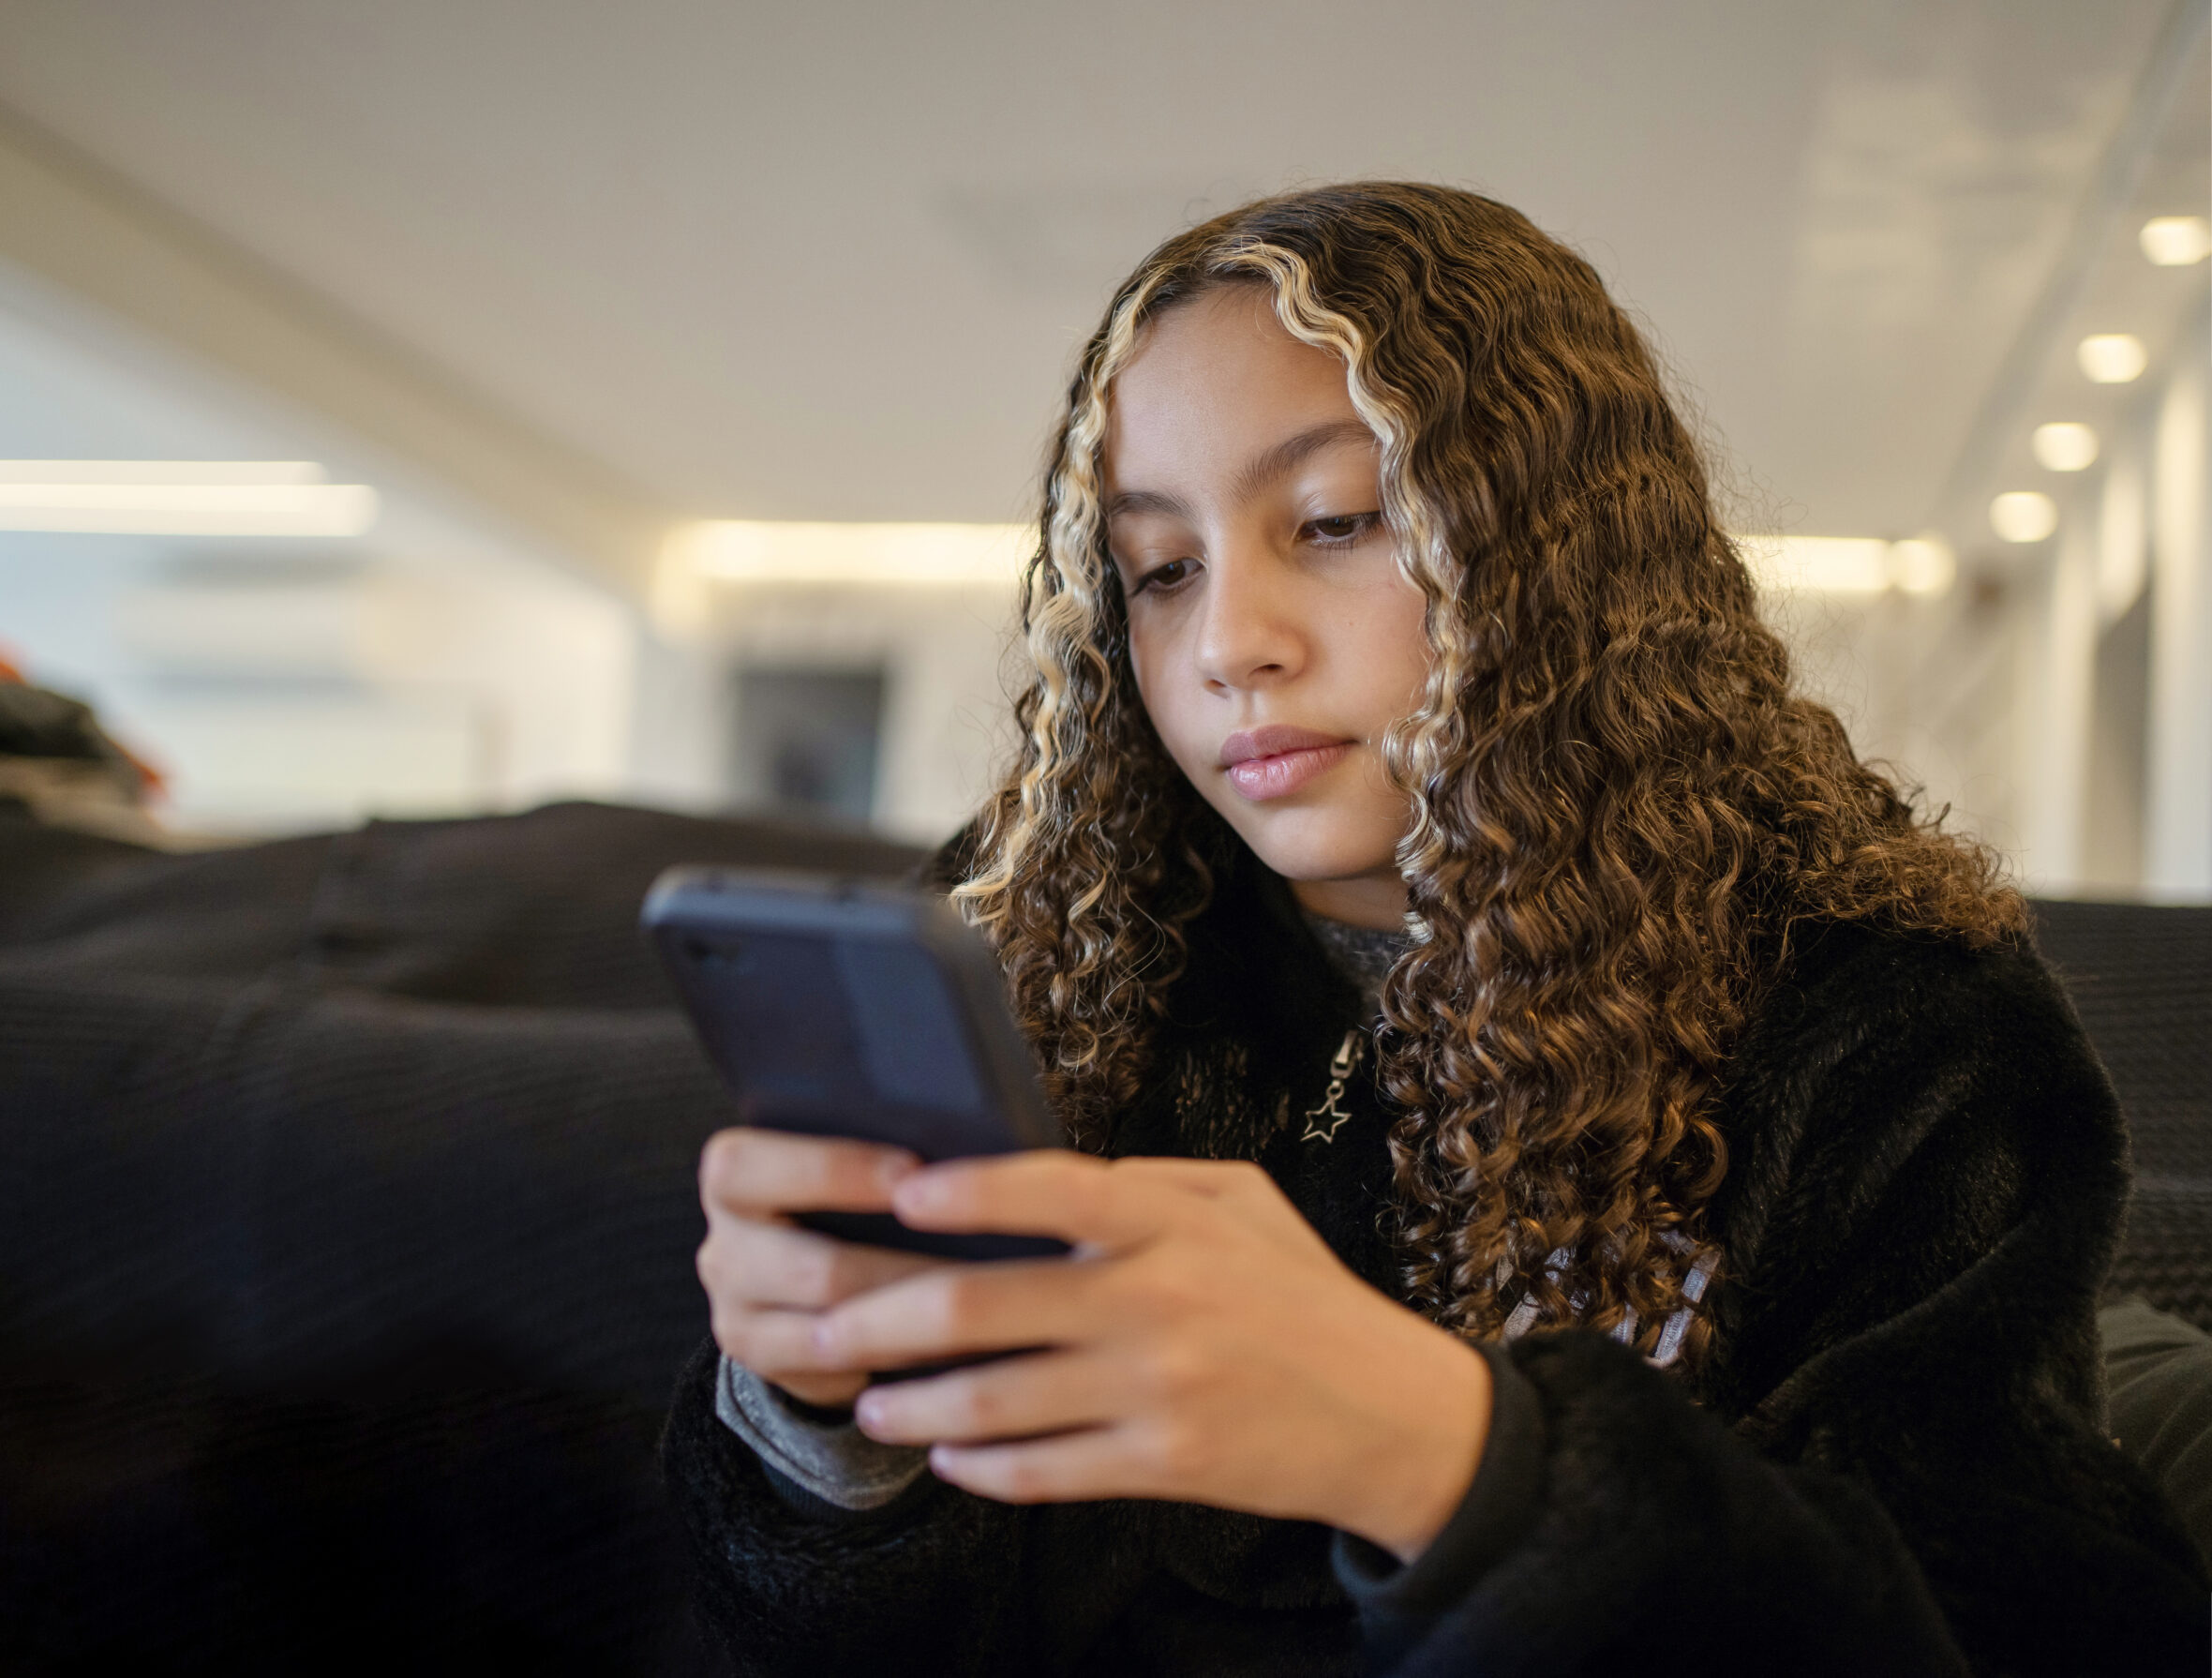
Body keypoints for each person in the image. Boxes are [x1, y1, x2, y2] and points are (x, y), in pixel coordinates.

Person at [661, 182, 2205, 1673]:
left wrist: (1442, 1451)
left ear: (1561, 552)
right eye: (1160, 569)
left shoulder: (1895, 1023)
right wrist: (820, 1424)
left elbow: (2005, 1623)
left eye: (1335, 520)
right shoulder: (1042, 941)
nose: (1227, 646)